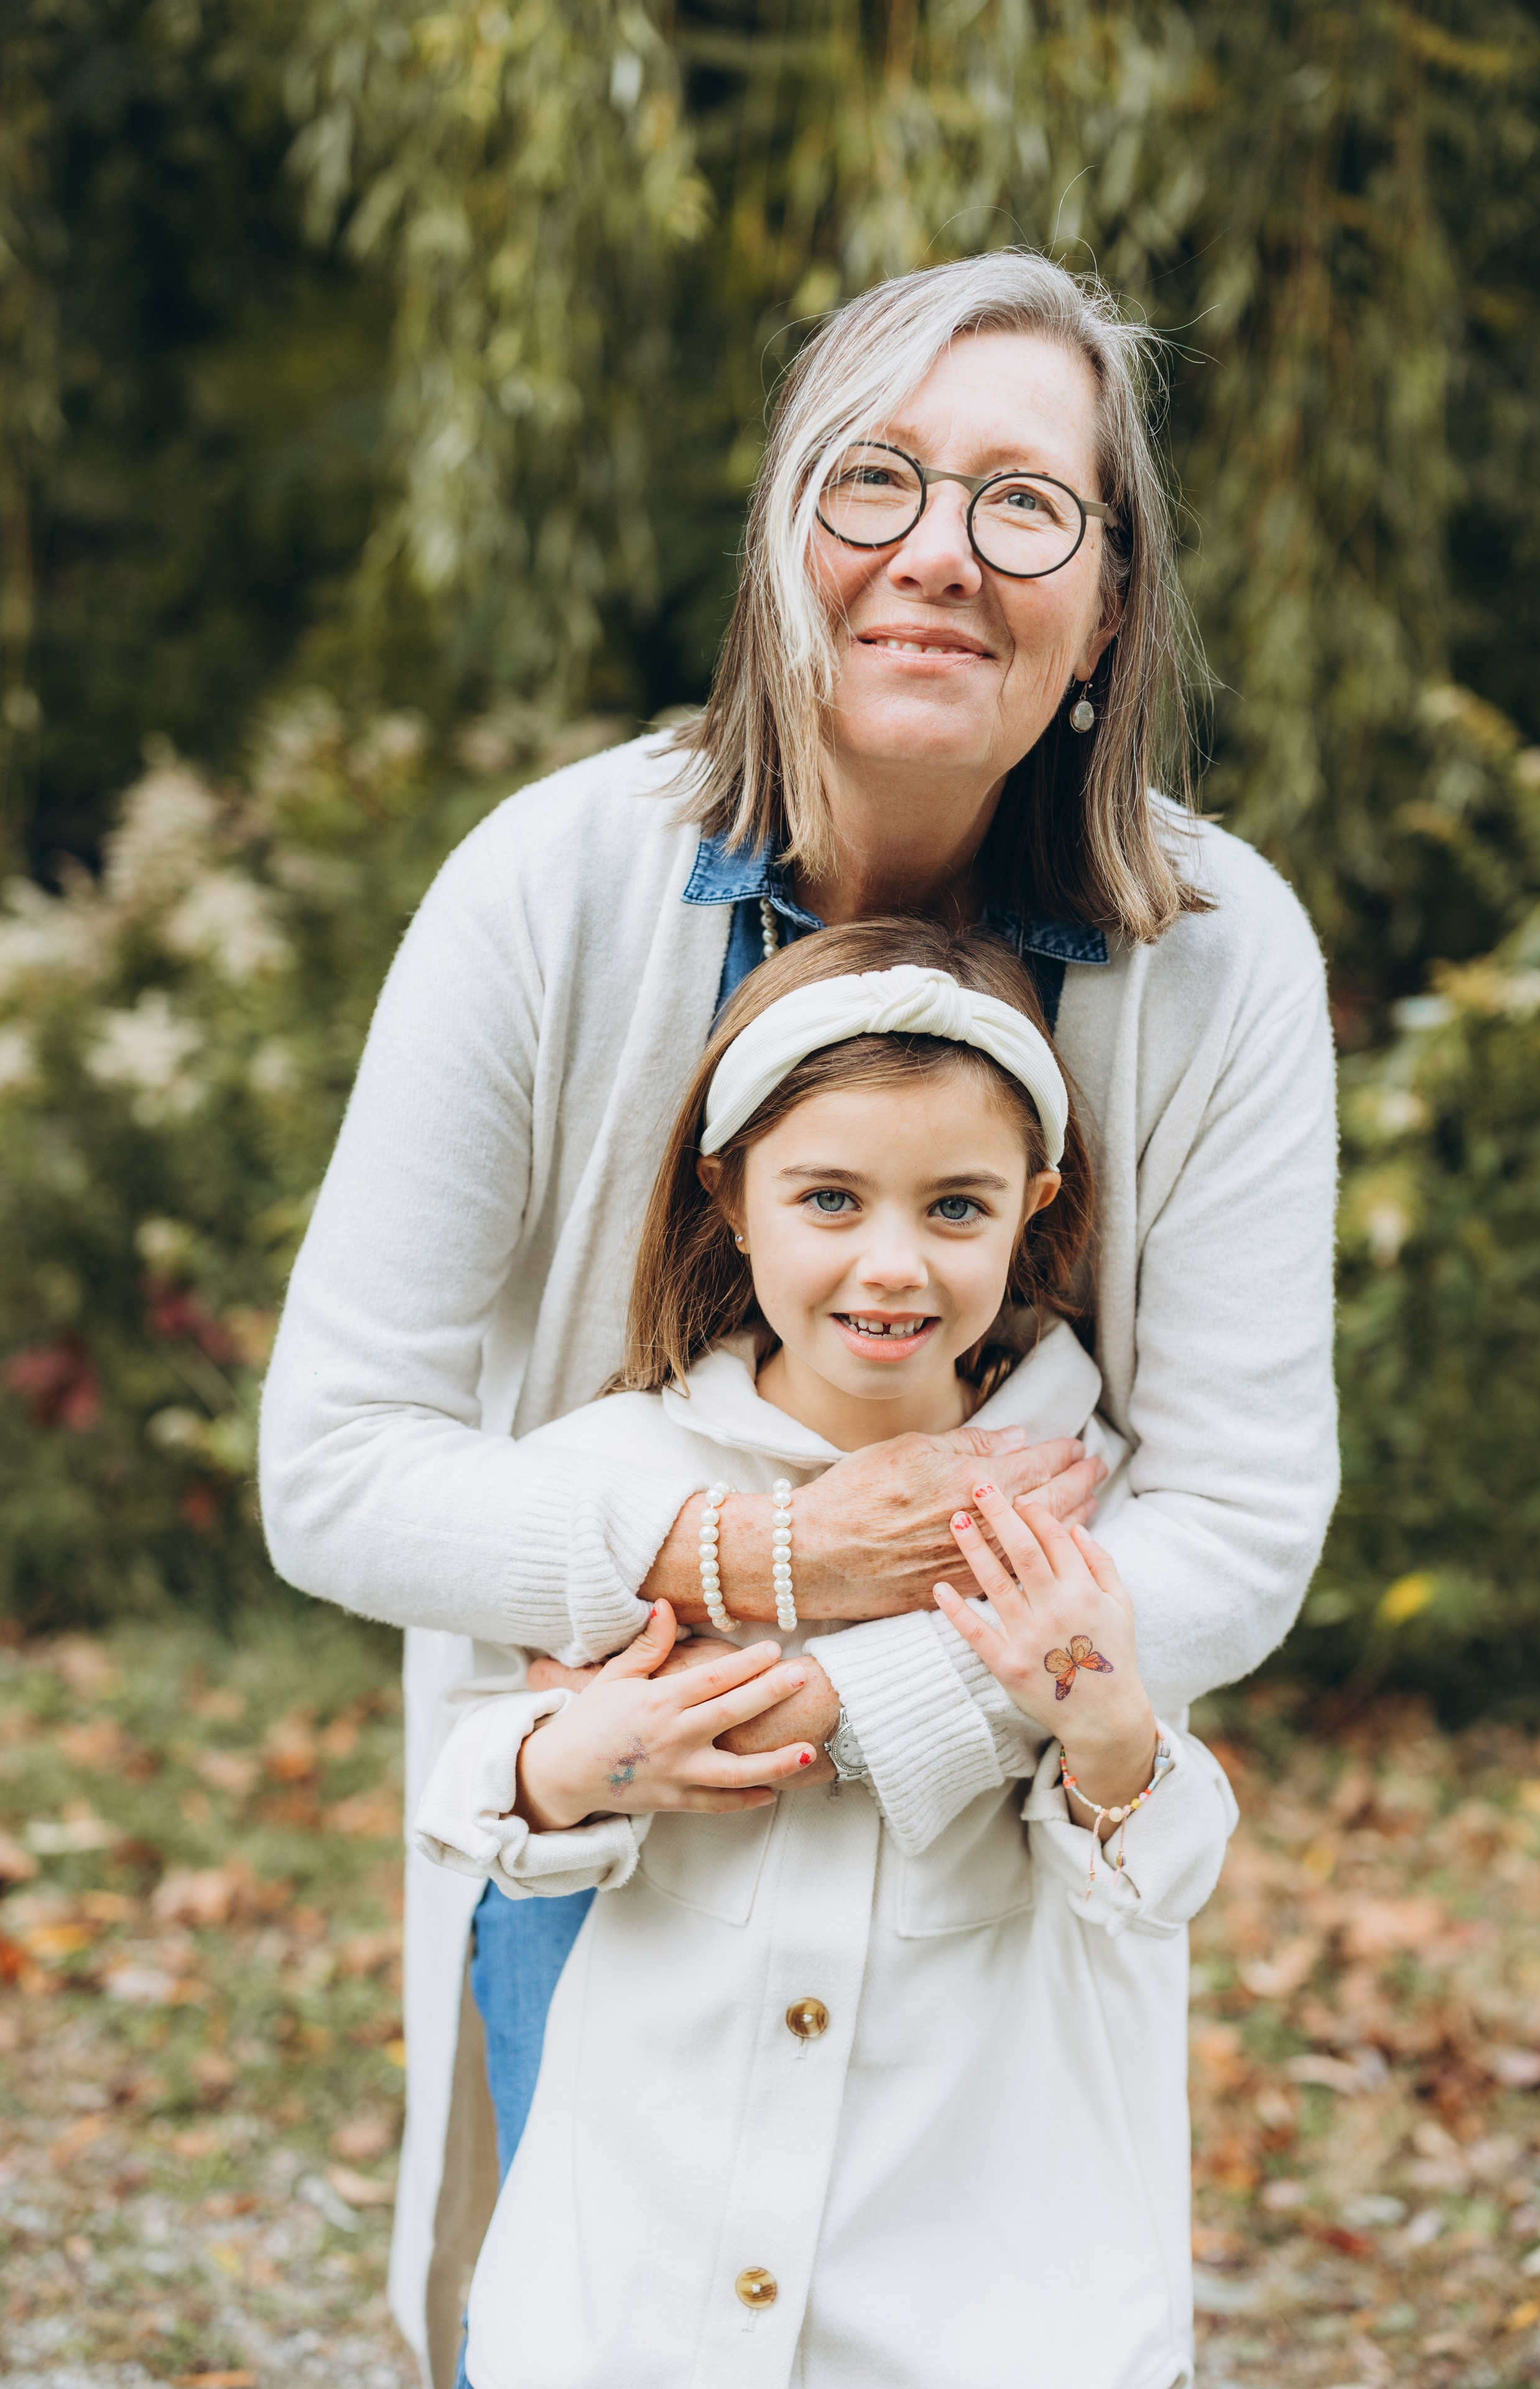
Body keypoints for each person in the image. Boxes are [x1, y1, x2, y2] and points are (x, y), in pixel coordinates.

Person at [257, 248, 1338, 2385]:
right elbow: (336, 1467)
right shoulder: (546, 887)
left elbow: (1232, 1521)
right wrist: (748, 1562)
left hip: (999, 1894)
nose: (939, 555)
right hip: (617, 1828)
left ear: (1111, 602)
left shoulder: (1221, 963)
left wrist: (888, 1699)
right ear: (779, 543)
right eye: (874, 483)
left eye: (1028, 504)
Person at [413, 923, 1238, 2389]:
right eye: (831, 1199)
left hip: (958, 2256)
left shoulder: (1079, 1489)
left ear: (1031, 1210)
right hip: (645, 2258)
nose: (891, 1264)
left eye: (956, 1207)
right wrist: (578, 1764)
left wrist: (1108, 1735)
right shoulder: (622, 1478)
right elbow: (476, 1769)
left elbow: (1145, 1881)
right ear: (730, 1199)